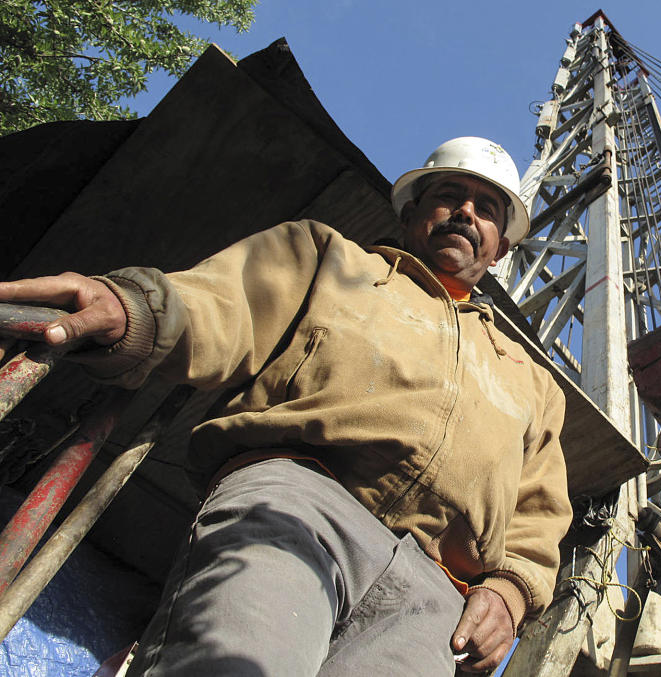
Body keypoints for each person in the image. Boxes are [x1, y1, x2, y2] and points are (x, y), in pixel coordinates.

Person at [0, 137, 573, 676]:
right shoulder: (328, 260)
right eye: (450, 195)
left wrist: (511, 589)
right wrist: (136, 308)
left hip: (435, 595)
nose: (467, 213)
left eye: (488, 208)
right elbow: (222, 302)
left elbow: (539, 512)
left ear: (500, 247)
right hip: (298, 505)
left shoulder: (530, 381)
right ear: (410, 212)